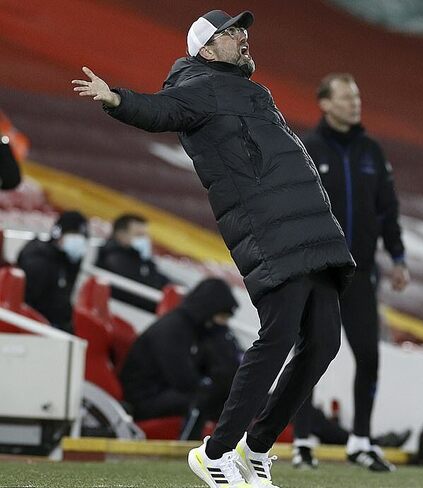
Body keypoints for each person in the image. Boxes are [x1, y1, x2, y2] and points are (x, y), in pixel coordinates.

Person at [73, 9, 354, 488]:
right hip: (271, 231)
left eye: (242, 30)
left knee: (324, 342)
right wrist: (116, 98)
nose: (242, 37)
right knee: (278, 337)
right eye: (230, 32)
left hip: (311, 228)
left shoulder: (251, 90)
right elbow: (159, 111)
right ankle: (215, 452)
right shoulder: (199, 86)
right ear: (205, 49)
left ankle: (255, 448)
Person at [291, 73, 409, 472]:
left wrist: (398, 257)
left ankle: (360, 440)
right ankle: (302, 441)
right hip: (320, 271)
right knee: (311, 353)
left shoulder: (371, 151)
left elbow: (387, 209)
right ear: (324, 103)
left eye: (356, 97)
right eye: (345, 97)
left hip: (360, 272)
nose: (354, 104)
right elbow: (295, 209)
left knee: (369, 356)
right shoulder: (308, 148)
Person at [119, 278, 242, 440]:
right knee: (202, 399)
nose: (223, 324)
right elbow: (182, 379)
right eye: (221, 317)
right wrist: (210, 386)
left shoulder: (192, 326)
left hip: (162, 390)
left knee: (218, 397)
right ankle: (190, 447)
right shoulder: (173, 328)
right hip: (144, 398)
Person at [17, 211, 88, 333]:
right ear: (58, 233)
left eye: (82, 236)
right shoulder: (38, 258)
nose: (79, 240)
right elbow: (31, 301)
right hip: (36, 326)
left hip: (56, 325)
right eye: (73, 234)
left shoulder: (68, 262)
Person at [96, 213, 171, 312]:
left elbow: (157, 277)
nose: (145, 240)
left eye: (146, 235)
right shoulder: (114, 259)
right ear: (121, 235)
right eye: (139, 235)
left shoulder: (138, 258)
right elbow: (137, 290)